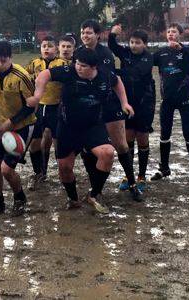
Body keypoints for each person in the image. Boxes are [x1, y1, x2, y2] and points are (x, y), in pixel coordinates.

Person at [33, 48, 123, 212]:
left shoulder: (104, 75)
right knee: (64, 167)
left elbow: (117, 82)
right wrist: (38, 95)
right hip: (68, 127)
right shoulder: (68, 71)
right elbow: (44, 75)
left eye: (83, 65)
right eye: (77, 63)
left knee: (108, 153)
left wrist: (125, 103)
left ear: (93, 67)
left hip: (93, 126)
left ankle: (94, 194)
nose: (78, 67)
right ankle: (73, 199)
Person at [74, 19, 141, 201]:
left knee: (121, 145)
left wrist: (123, 103)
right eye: (82, 32)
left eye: (88, 33)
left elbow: (112, 80)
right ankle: (96, 186)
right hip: (87, 107)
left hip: (109, 105)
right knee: (88, 147)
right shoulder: (78, 53)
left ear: (97, 35)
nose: (85, 36)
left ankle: (132, 183)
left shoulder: (105, 54)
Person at [0, 41, 37, 217]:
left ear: (10, 58)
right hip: (1, 125)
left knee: (6, 169)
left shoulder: (22, 75)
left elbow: (31, 106)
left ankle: (20, 199)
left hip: (23, 126)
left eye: (3, 61)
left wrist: (10, 123)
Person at [151, 23, 189, 183]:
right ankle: (164, 168)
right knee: (164, 135)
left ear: (180, 34)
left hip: (185, 100)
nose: (170, 34)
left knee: (188, 133)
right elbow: (145, 61)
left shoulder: (187, 51)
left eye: (174, 31)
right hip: (167, 101)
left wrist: (181, 48)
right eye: (168, 31)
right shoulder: (161, 53)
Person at [108, 25, 155, 191]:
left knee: (142, 137)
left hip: (145, 102)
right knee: (127, 138)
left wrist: (116, 72)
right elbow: (112, 46)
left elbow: (136, 73)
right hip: (126, 101)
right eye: (132, 42)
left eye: (138, 43)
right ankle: (129, 176)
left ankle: (142, 176)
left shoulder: (148, 58)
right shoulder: (125, 53)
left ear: (145, 44)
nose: (134, 45)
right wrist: (113, 34)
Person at [25, 36, 67, 190]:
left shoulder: (63, 64)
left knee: (58, 142)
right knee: (37, 142)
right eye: (44, 46)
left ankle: (63, 173)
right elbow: (25, 80)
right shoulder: (34, 64)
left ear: (56, 49)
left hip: (56, 107)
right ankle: (40, 172)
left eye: (50, 46)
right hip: (39, 108)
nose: (46, 49)